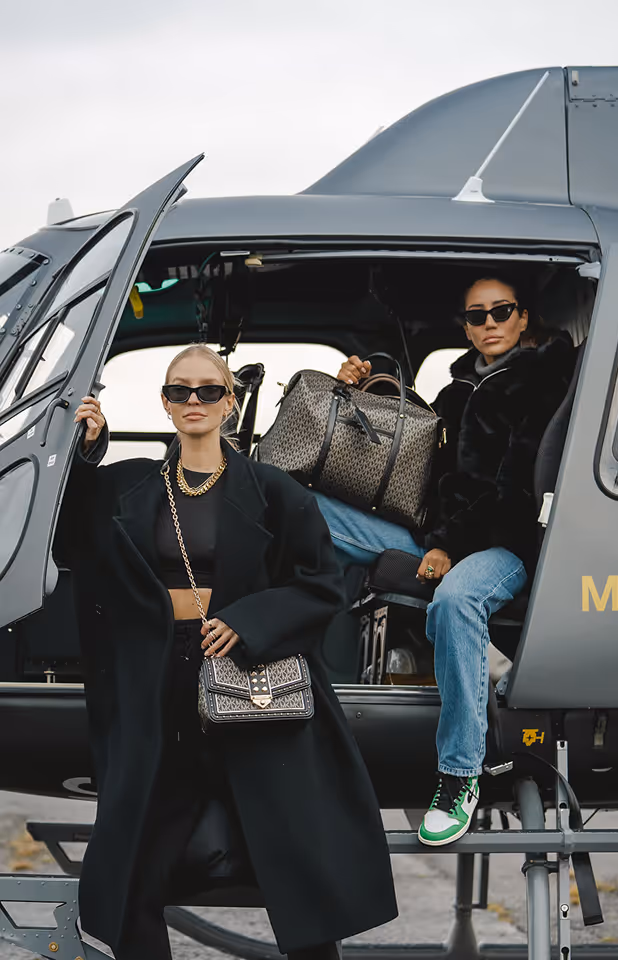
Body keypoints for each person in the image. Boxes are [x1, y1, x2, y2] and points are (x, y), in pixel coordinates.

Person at [55, 344, 398, 960]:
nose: (194, 401)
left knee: (297, 860)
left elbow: (322, 583)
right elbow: (71, 534)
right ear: (164, 402)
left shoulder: (273, 490)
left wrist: (249, 619)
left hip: (252, 673)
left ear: (229, 403)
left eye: (208, 391)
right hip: (162, 680)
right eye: (180, 391)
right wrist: (86, 448)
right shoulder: (130, 484)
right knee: (133, 860)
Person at [314, 274, 575, 846]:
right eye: (475, 316)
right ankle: (287, 671)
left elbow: (510, 489)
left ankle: (459, 775)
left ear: (524, 317)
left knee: (457, 599)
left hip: (507, 546)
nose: (488, 325)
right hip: (439, 537)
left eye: (500, 312)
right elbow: (415, 456)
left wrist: (447, 548)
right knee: (306, 510)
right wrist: (356, 396)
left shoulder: (544, 382)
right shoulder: (460, 387)